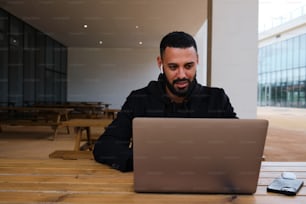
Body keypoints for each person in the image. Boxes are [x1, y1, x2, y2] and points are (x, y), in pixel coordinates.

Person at [93, 31, 237, 172]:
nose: (181, 75)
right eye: (173, 67)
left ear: (197, 60)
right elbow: (105, 146)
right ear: (160, 63)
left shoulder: (217, 99)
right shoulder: (139, 99)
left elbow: (239, 144)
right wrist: (144, 162)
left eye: (188, 66)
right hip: (151, 184)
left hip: (207, 182)